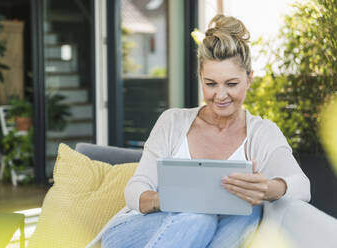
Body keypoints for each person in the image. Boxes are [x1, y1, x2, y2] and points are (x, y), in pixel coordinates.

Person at [86, 14, 310, 248]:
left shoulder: (262, 133)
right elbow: (135, 190)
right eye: (210, 84)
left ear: (249, 79)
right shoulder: (172, 122)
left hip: (204, 236)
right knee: (198, 217)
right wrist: (171, 201)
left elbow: (302, 186)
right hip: (135, 232)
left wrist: (267, 189)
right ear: (200, 78)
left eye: (231, 84)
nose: (220, 95)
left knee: (249, 211)